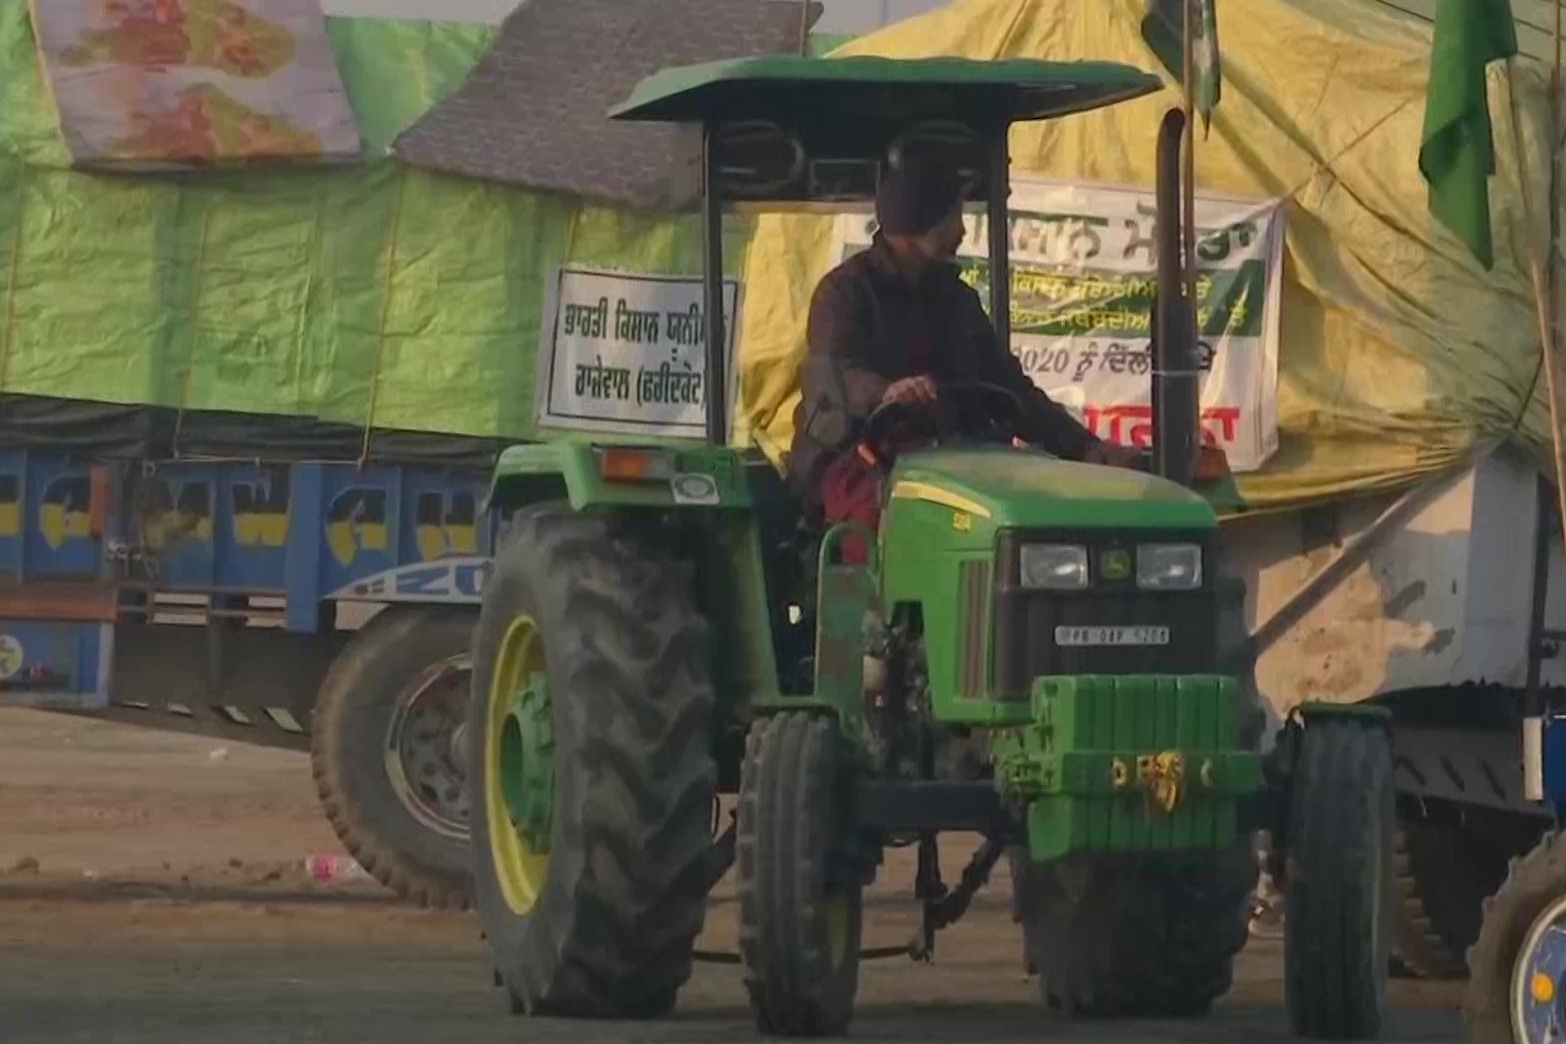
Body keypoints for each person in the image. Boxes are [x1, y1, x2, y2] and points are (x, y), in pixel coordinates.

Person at [787, 155, 1139, 559]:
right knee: (888, 516)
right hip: (858, 452)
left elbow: (1010, 387)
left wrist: (1085, 447)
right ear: (925, 224)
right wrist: (887, 391)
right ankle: (879, 614)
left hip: (954, 458)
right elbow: (836, 375)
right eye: (955, 216)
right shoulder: (843, 294)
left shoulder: (957, 299)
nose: (962, 229)